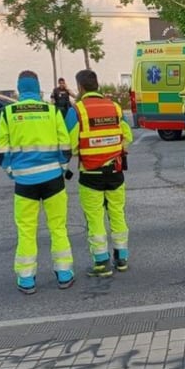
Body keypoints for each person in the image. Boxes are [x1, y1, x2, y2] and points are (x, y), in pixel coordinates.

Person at [0, 70, 75, 294]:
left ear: (19, 88)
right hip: (53, 179)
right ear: (37, 87)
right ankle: (64, 274)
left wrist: (12, 171)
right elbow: (65, 144)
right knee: (58, 228)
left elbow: (2, 149)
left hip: (24, 182)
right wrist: (62, 167)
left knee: (27, 231)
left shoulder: (8, 113)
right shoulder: (50, 111)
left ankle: (27, 278)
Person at [65, 68, 134, 277]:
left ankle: (102, 263)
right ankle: (121, 258)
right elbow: (127, 137)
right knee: (117, 214)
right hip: (115, 171)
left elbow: (69, 145)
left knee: (95, 218)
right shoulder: (114, 107)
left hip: (90, 174)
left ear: (80, 87)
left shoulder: (77, 111)